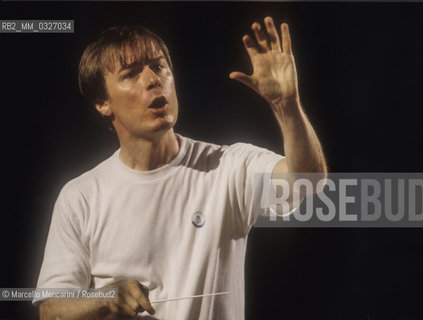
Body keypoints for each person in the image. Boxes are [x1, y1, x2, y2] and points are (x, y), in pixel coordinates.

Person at [34, 17, 327, 319]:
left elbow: (307, 182)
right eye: (131, 74)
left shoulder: (228, 168)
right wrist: (106, 300)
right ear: (102, 102)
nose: (152, 80)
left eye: (159, 67)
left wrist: (287, 107)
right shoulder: (80, 196)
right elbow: (51, 310)